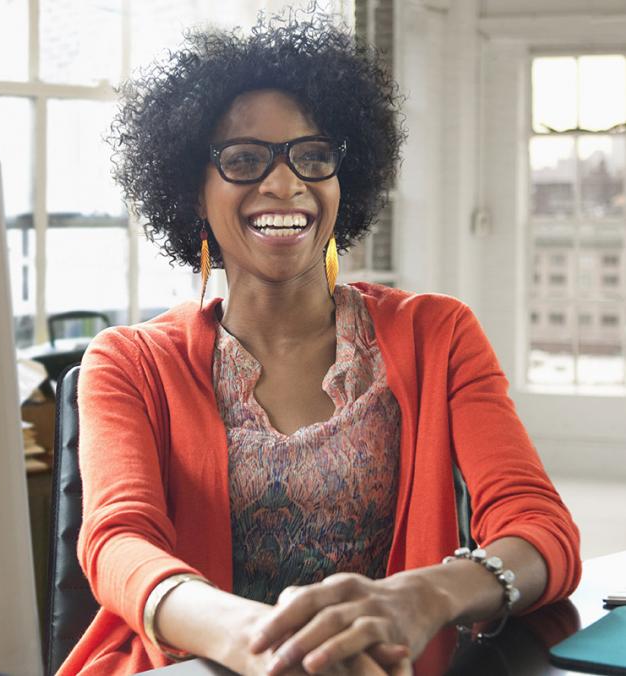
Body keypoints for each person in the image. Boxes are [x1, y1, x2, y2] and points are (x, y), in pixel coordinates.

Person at [56, 10, 581, 676]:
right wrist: (257, 639)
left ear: (342, 179)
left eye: (312, 157)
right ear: (193, 188)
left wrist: (418, 598)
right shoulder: (128, 362)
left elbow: (540, 527)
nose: (285, 183)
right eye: (244, 160)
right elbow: (118, 542)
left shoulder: (437, 335)